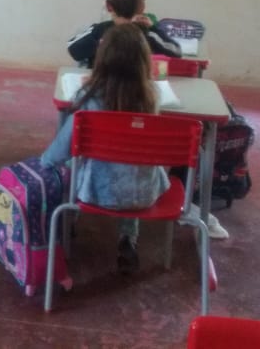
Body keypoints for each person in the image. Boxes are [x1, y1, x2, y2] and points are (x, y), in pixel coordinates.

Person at [43, 23, 168, 273]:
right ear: (144, 62)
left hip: (93, 191)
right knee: (131, 164)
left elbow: (61, 151)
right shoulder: (152, 98)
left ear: (102, 60)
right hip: (144, 193)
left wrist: (43, 162)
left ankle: (71, 219)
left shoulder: (89, 98)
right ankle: (127, 239)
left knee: (70, 163)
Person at [67, 0, 182, 68]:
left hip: (102, 92)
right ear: (142, 7)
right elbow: (177, 53)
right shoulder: (148, 35)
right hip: (139, 93)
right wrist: (153, 29)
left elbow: (73, 49)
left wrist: (98, 41)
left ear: (108, 7)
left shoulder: (98, 32)